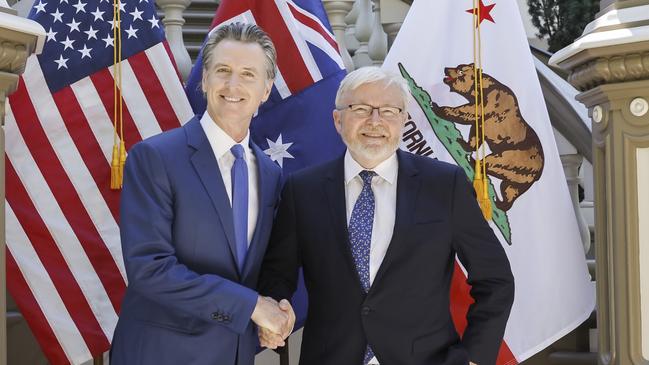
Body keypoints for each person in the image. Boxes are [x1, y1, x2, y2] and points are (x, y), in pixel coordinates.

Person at [257, 67, 515, 365]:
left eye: (389, 111)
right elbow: (277, 276)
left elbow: (495, 279)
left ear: (404, 120)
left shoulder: (446, 186)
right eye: (361, 109)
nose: (375, 121)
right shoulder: (301, 191)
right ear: (338, 120)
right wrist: (274, 313)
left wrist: (473, 358)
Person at [110, 22, 295, 365]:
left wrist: (275, 309)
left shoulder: (271, 175)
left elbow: (263, 267)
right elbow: (149, 269)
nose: (233, 85)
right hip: (161, 355)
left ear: (266, 89)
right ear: (205, 78)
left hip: (237, 355)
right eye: (222, 70)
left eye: (248, 74)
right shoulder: (156, 158)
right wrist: (252, 307)